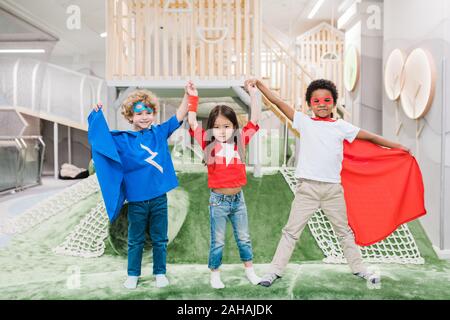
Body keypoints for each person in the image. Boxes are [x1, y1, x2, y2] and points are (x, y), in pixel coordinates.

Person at [246, 78, 410, 287]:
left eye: (326, 100)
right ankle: (274, 272)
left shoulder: (341, 127)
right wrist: (260, 86)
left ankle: (360, 269)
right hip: (307, 189)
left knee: (344, 232)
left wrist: (398, 146)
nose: (322, 104)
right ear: (310, 104)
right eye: (316, 101)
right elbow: (278, 102)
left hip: (333, 190)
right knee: (291, 232)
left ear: (333, 102)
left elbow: (370, 138)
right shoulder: (303, 122)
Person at [88, 83, 194, 289]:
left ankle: (160, 272)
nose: (144, 117)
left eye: (148, 112)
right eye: (139, 114)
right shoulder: (122, 140)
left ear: (154, 113)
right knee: (135, 240)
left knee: (159, 239)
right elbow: (101, 142)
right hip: (136, 201)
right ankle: (133, 274)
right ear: (130, 117)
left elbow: (180, 115)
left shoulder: (159, 133)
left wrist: (186, 95)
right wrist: (95, 117)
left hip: (159, 199)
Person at [187, 81, 262, 289]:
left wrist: (254, 94)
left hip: (239, 200)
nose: (221, 131)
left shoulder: (239, 140)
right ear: (211, 128)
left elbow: (255, 119)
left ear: (234, 127)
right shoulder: (208, 142)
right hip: (218, 202)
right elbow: (192, 122)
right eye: (217, 127)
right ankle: (215, 274)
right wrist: (193, 98)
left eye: (226, 126)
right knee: (218, 241)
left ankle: (250, 271)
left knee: (244, 238)